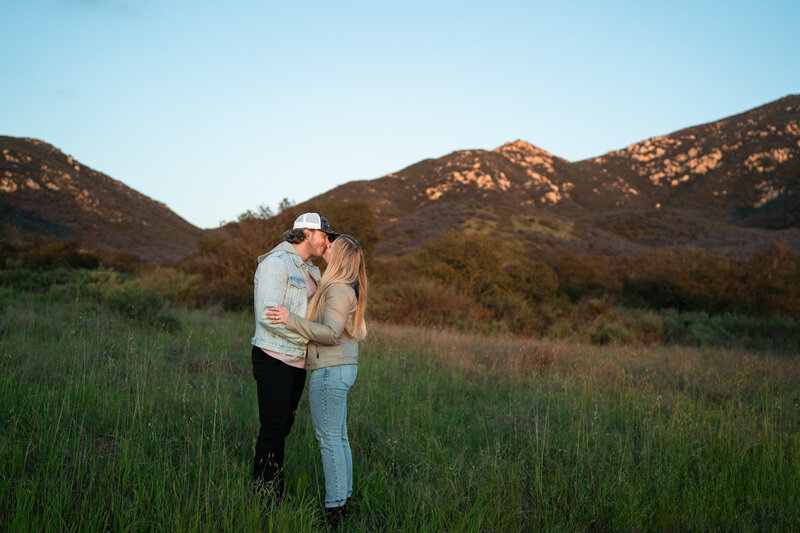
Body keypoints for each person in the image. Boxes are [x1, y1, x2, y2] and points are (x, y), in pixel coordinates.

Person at [266, 234, 367, 527]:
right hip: (341, 367)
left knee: (329, 440)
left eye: (332, 244)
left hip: (331, 369)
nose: (327, 245)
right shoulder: (345, 286)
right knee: (340, 437)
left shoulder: (336, 288)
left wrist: (288, 319)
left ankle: (334, 512)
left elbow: (331, 333)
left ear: (340, 255)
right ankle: (344, 499)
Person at [250, 212, 338, 499]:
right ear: (308, 233)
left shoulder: (310, 269)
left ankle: (273, 484)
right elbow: (267, 316)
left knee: (284, 426)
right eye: (325, 235)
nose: (327, 241)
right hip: (275, 356)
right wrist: (309, 337)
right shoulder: (276, 264)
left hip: (298, 359)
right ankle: (267, 494)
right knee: (273, 429)